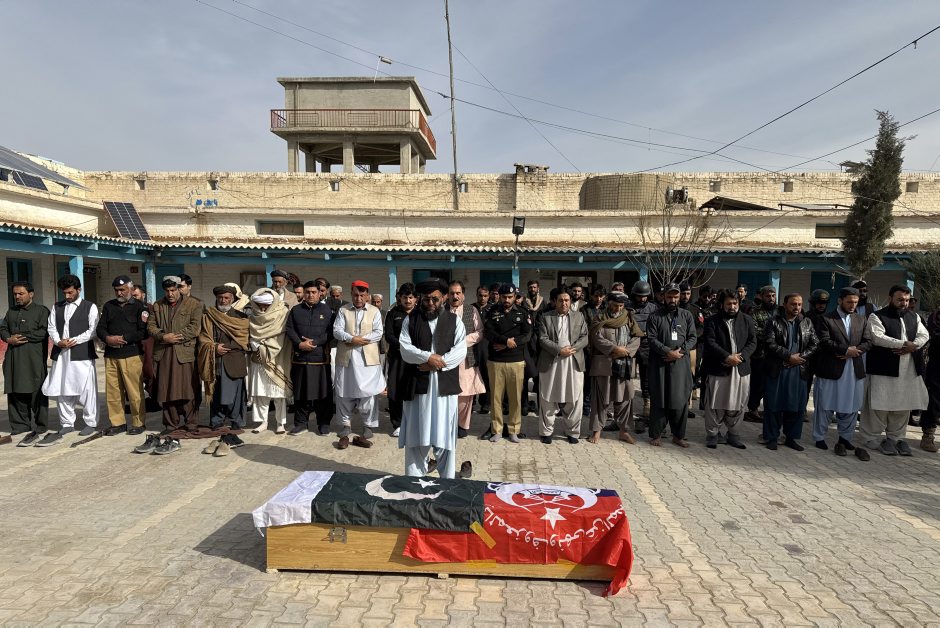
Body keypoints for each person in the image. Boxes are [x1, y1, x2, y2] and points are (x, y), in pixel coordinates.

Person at [398, 278, 468, 479]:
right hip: (418, 389)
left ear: (444, 298)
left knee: (445, 439)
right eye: (426, 299)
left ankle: (447, 481)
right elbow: (405, 348)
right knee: (416, 438)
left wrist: (437, 363)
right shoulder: (410, 320)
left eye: (435, 299)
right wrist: (428, 357)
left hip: (444, 390)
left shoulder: (455, 321)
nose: (430, 304)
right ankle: (414, 481)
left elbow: (460, 350)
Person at [860, 285, 928, 456]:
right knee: (879, 405)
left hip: (908, 370)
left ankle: (896, 438)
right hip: (884, 369)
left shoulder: (914, 317)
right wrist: (903, 344)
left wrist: (913, 346)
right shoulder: (877, 316)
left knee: (903, 405)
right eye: (900, 299)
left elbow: (924, 335)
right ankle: (872, 438)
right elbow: (877, 337)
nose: (903, 303)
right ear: (890, 298)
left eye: (906, 300)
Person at [139, 276, 203, 454]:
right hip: (164, 353)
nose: (170, 294)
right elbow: (151, 326)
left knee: (188, 389)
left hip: (185, 353)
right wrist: (162, 336)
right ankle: (170, 424)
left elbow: (195, 328)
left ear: (179, 289)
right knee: (166, 389)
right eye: (167, 291)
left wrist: (175, 337)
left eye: (173, 290)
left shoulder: (194, 304)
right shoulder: (157, 305)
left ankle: (191, 423)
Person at [37, 274, 100, 446]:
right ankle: (67, 423)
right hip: (61, 353)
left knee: (87, 390)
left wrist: (74, 341)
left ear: (79, 290)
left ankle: (90, 422)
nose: (67, 296)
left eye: (70, 292)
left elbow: (93, 330)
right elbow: (51, 327)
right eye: (65, 293)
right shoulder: (56, 307)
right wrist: (58, 341)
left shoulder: (90, 307)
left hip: (82, 353)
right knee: (62, 388)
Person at [812, 287, 871, 460]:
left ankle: (845, 438)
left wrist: (855, 351)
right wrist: (845, 350)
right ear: (840, 301)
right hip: (831, 369)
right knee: (825, 404)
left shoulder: (861, 319)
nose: (852, 305)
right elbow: (824, 341)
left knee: (851, 406)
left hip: (854, 369)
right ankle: (819, 437)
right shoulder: (826, 318)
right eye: (849, 302)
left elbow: (868, 341)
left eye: (855, 302)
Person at [333, 280, 386, 448]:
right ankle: (345, 425)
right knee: (344, 391)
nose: (358, 298)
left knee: (368, 393)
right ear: (351, 294)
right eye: (355, 295)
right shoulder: (343, 310)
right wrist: (351, 338)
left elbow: (378, 333)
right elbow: (337, 330)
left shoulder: (374, 311)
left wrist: (360, 340)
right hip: (346, 358)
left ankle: (368, 426)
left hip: (368, 359)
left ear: (367, 295)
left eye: (362, 295)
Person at [762, 293, 818, 451]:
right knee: (774, 404)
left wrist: (800, 357)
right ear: (785, 304)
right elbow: (769, 342)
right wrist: (788, 356)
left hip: (798, 370)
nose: (797, 307)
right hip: (778, 369)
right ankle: (772, 437)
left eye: (799, 304)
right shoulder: (773, 321)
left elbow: (815, 343)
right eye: (793, 304)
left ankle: (791, 438)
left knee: (796, 406)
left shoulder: (807, 322)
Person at [701, 290, 756, 450]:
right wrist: (726, 357)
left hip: (740, 369)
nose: (732, 307)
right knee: (714, 403)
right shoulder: (712, 321)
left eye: (735, 303)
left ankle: (733, 435)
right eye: (728, 304)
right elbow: (710, 342)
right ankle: (712, 435)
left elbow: (753, 342)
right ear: (721, 305)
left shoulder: (747, 320)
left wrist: (741, 357)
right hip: (719, 368)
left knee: (738, 403)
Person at [96, 275, 149, 436]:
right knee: (113, 392)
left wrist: (124, 338)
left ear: (131, 289)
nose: (119, 293)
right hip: (111, 355)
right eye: (117, 290)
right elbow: (100, 328)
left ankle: (138, 423)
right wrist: (107, 338)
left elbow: (143, 332)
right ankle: (118, 423)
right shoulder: (109, 306)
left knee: (134, 392)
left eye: (122, 289)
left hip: (131, 354)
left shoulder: (140, 307)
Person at [587, 290, 642, 445]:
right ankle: (597, 430)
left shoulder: (629, 318)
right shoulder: (600, 318)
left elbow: (636, 337)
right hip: (604, 365)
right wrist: (614, 349)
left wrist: (626, 351)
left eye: (621, 306)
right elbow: (596, 337)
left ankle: (624, 431)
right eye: (615, 305)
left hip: (624, 364)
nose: (618, 309)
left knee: (625, 399)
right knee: (601, 399)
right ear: (609, 303)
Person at [646, 283, 696, 448]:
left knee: (679, 398)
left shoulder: (686, 315)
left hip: (680, 363)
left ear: (679, 297)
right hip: (660, 363)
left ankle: (678, 435)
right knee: (659, 397)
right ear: (664, 297)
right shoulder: (654, 316)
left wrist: (680, 352)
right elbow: (651, 339)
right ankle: (656, 434)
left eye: (676, 296)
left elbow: (693, 337)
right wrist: (667, 351)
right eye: (669, 296)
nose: (673, 300)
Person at [536, 288, 589, 444]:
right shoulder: (546, 317)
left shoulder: (579, 316)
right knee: (547, 396)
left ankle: (573, 432)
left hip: (573, 360)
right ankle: (546, 432)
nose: (564, 303)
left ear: (570, 301)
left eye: (567, 300)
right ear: (554, 302)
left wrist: (571, 349)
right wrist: (559, 350)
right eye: (561, 300)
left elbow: (585, 337)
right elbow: (542, 338)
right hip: (551, 361)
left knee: (574, 397)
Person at [1, 281, 50, 446]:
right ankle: (20, 425)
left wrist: (21, 336)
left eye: (21, 293)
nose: (17, 297)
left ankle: (41, 425)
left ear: (31, 294)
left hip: (33, 360)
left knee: (37, 391)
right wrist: (9, 339)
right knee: (16, 391)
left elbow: (42, 333)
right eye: (15, 294)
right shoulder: (11, 311)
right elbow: (3, 329)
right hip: (14, 359)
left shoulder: (41, 311)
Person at [483, 283, 532, 443]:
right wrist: (505, 340)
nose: (507, 300)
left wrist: (509, 344)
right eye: (504, 297)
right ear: (499, 297)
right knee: (496, 398)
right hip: (495, 361)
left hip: (516, 361)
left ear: (515, 297)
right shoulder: (492, 311)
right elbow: (488, 332)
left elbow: (527, 335)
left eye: (510, 297)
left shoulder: (523, 312)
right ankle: (496, 430)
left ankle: (514, 430)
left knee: (515, 398)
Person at [285, 281, 335, 435]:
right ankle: (301, 423)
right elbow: (289, 329)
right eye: (307, 292)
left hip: (320, 358)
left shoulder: (327, 311)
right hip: (300, 358)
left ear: (320, 293)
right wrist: (300, 344)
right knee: (301, 392)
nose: (310, 295)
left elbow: (331, 332)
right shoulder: (295, 310)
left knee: (323, 393)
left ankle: (323, 423)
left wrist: (315, 342)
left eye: (314, 292)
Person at [198, 285, 250, 432]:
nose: (223, 300)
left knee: (236, 394)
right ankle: (217, 420)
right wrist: (214, 348)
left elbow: (244, 339)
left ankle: (236, 420)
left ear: (232, 299)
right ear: (216, 298)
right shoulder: (208, 316)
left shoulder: (241, 317)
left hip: (234, 360)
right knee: (216, 392)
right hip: (215, 360)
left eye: (226, 298)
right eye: (220, 297)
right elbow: (203, 337)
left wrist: (225, 347)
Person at [247, 288, 293, 434]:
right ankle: (263, 422)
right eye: (259, 305)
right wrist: (253, 344)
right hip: (258, 359)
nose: (262, 308)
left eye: (266, 305)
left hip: (278, 358)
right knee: (261, 392)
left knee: (278, 393)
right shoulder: (253, 316)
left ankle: (280, 423)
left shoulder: (283, 314)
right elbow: (249, 334)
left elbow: (282, 336)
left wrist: (264, 346)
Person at [445, 281, 485, 439]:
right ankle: (447, 425)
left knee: (465, 393)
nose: (455, 296)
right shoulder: (441, 311)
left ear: (463, 295)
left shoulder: (471, 310)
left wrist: (463, 341)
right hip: (446, 359)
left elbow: (480, 332)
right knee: (447, 394)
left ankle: (462, 425)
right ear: (447, 295)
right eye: (452, 293)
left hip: (466, 358)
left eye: (458, 293)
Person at [385, 284, 418, 437]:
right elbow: (389, 335)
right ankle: (397, 424)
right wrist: (403, 347)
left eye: (411, 297)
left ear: (416, 299)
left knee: (414, 390)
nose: (408, 300)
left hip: (416, 359)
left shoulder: (421, 314)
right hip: (397, 358)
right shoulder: (393, 313)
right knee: (395, 389)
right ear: (400, 298)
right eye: (405, 297)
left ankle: (414, 423)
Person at [744, 285, 778, 422]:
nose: (771, 298)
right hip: (760, 354)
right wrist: (773, 336)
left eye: (773, 296)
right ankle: (752, 409)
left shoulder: (780, 311)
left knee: (772, 384)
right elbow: (754, 330)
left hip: (777, 355)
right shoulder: (755, 311)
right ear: (762, 297)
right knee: (758, 384)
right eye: (768, 296)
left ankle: (769, 409)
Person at [629, 280, 657, 423]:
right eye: (639, 296)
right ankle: (625, 409)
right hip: (631, 345)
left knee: (646, 379)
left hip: (647, 346)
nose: (642, 299)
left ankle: (647, 406)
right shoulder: (628, 307)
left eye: (644, 296)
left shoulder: (653, 308)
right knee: (627, 377)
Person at [918, 301, 940, 453]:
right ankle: (928, 434)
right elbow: (935, 337)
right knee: (934, 400)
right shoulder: (937, 315)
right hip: (938, 365)